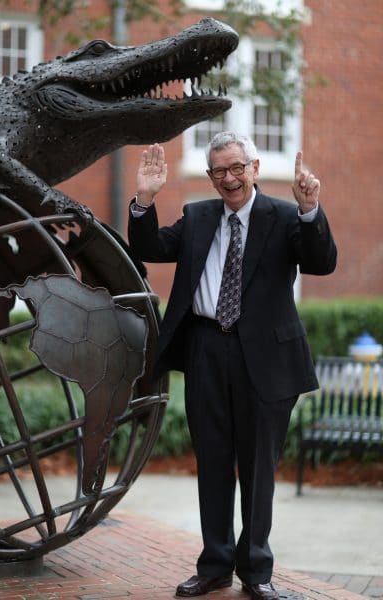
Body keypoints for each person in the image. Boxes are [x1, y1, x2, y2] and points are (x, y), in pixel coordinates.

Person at [128, 132, 337, 599]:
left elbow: (322, 262)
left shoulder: (284, 216)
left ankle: (256, 572)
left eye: (236, 168)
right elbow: (153, 248)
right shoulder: (199, 215)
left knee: (258, 469)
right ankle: (215, 565)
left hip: (266, 359)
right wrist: (144, 199)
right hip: (206, 350)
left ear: (255, 167)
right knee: (215, 464)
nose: (229, 178)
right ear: (210, 177)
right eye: (219, 171)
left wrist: (310, 209)